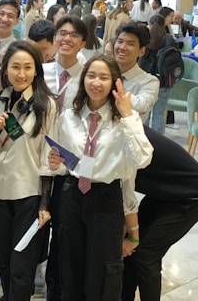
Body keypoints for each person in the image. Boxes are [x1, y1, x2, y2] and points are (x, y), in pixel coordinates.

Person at [48, 55, 153, 301]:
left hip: (106, 199)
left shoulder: (126, 119)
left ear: (115, 82)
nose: (96, 82)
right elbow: (65, 164)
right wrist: (56, 164)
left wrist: (127, 115)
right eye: (91, 76)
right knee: (70, 267)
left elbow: (142, 160)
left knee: (104, 271)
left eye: (104, 77)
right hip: (73, 194)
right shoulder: (70, 117)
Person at [0, 40, 57, 300]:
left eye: (27, 67)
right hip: (0, 189)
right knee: (3, 259)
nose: (21, 73)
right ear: (5, 69)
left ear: (37, 70)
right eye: (15, 67)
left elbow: (49, 155)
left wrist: (45, 203)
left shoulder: (46, 104)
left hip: (30, 193)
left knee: (22, 264)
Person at [121, 126, 198, 301]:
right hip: (164, 193)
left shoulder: (126, 132)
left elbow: (125, 194)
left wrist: (131, 233)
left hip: (192, 197)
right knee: (130, 253)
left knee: (145, 256)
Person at [41, 16, 87, 301]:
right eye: (62, 34)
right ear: (55, 38)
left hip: (70, 168)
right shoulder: (39, 72)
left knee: (63, 238)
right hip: (38, 160)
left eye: (73, 35)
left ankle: (57, 292)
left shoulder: (89, 76)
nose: (66, 39)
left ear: (82, 42)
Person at [113, 23, 159, 122]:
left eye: (130, 44)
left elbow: (141, 106)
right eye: (120, 41)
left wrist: (114, 87)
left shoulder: (149, 81)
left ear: (141, 51)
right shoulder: (102, 74)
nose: (122, 47)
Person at [139, 15, 176, 134]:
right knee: (159, 113)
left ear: (149, 23)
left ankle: (144, 138)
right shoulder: (168, 39)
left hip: (146, 79)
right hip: (164, 81)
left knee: (145, 112)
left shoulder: (145, 38)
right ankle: (158, 142)